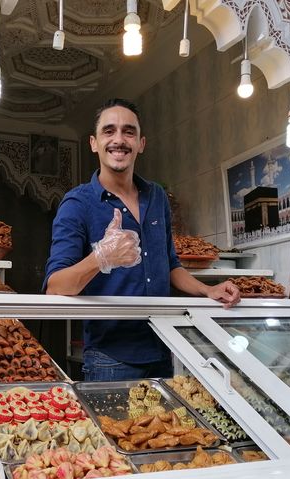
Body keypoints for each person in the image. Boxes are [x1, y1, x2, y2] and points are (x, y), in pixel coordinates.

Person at [44, 98, 240, 381]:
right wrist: (101, 258)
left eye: (129, 132)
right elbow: (55, 287)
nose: (119, 140)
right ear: (94, 143)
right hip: (110, 359)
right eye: (109, 131)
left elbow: (170, 265)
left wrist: (207, 290)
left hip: (165, 347)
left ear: (141, 143)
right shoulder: (77, 203)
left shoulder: (156, 196)